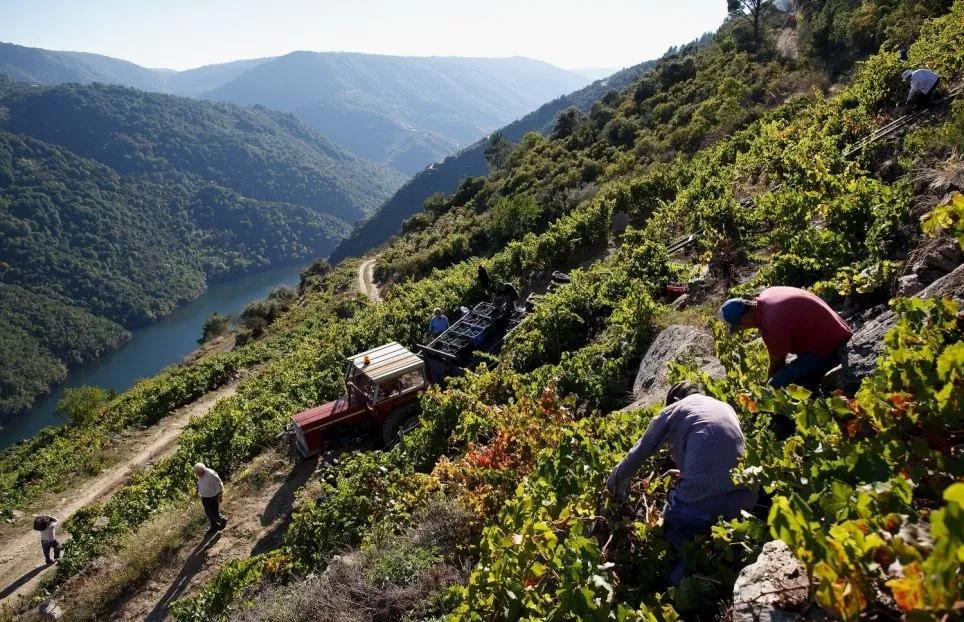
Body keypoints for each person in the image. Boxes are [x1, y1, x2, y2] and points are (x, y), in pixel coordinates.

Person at [606, 382, 756, 584]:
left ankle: (675, 588)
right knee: (728, 542)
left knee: (674, 537)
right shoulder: (724, 406)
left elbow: (639, 452)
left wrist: (614, 487)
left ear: (674, 401)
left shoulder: (674, 410)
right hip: (746, 500)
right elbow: (720, 453)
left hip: (702, 505)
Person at [720, 286, 852, 389]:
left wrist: (767, 386)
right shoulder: (768, 294)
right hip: (836, 328)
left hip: (831, 345)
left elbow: (778, 363)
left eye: (738, 327)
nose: (741, 330)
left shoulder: (770, 324)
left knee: (776, 385)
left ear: (744, 319)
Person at [194, 463, 227, 532]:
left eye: (197, 473)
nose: (196, 475)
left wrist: (220, 496)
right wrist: (198, 491)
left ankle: (223, 520)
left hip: (213, 496)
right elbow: (200, 483)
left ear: (202, 471)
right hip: (205, 497)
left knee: (213, 513)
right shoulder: (200, 475)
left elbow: (220, 484)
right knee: (208, 513)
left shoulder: (211, 474)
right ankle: (214, 526)